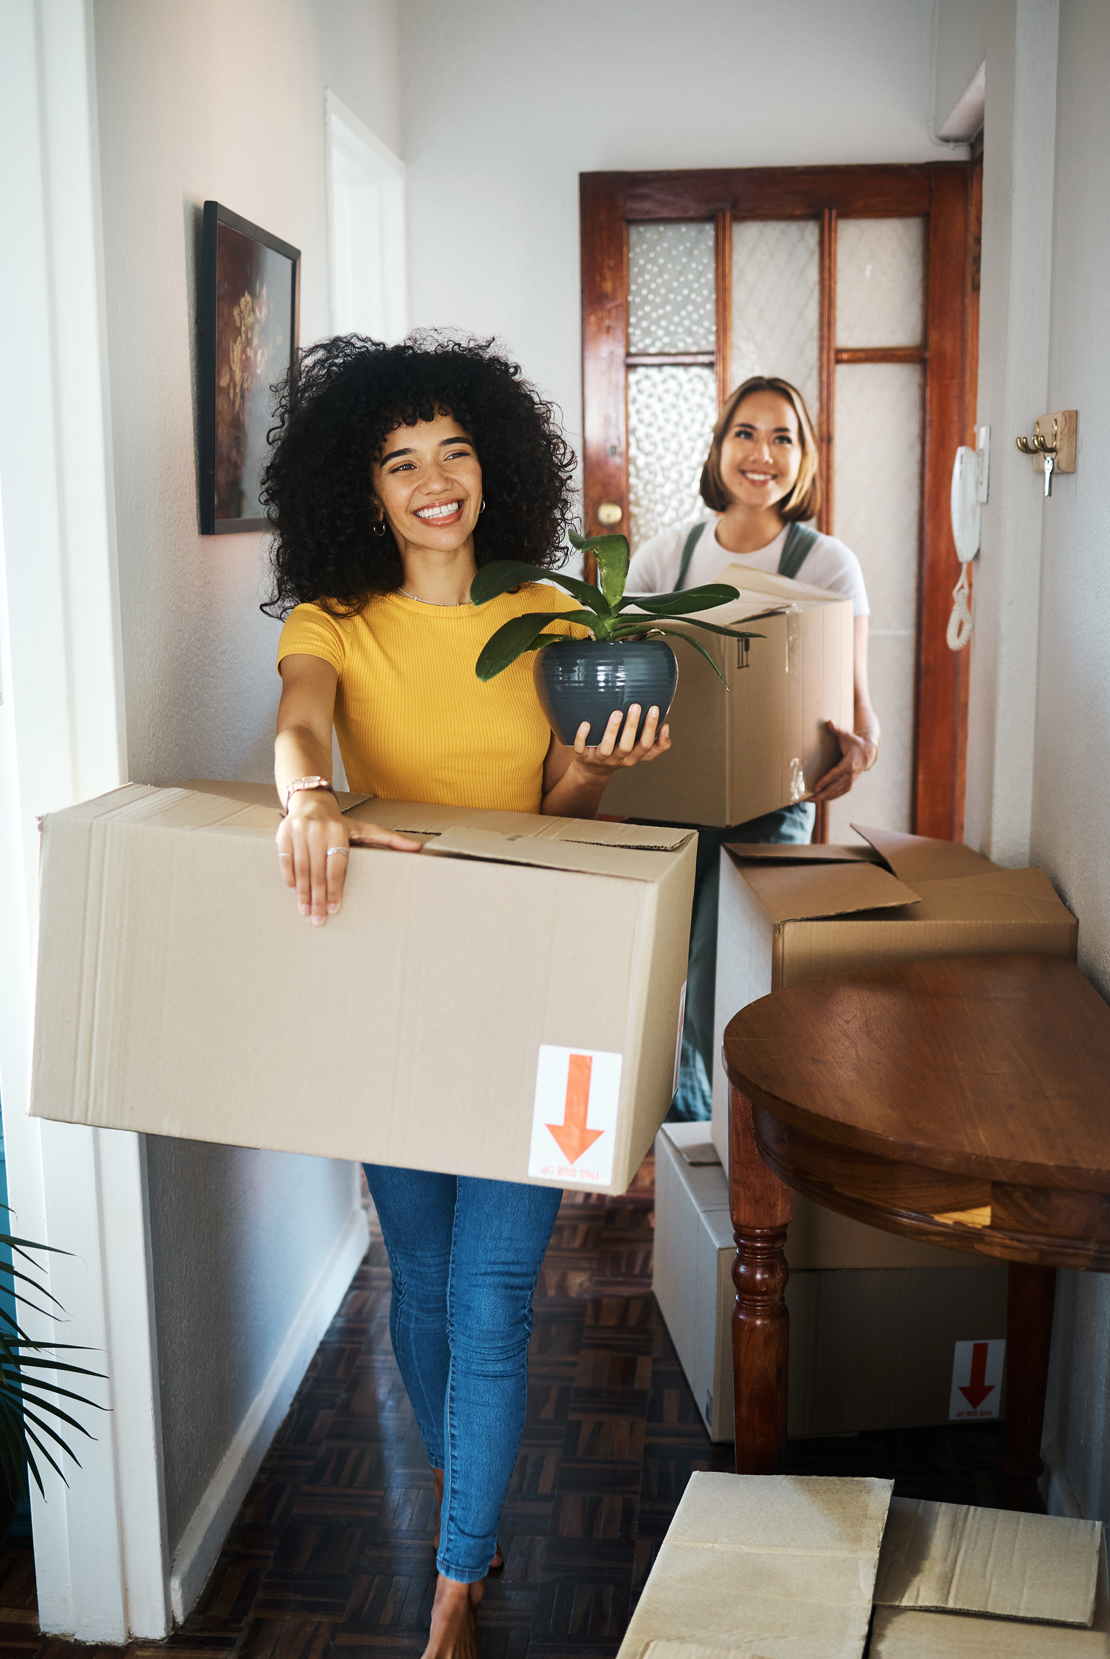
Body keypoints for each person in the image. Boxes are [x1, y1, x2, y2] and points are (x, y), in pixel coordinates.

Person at [260, 334, 669, 1659]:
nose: (434, 479)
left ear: (492, 465)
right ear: (360, 487)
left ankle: (454, 1583)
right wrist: (305, 795)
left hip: (533, 990)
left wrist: (604, 769)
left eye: (453, 450)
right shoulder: (333, 619)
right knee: (421, 1284)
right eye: (399, 460)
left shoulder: (550, 615)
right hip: (391, 998)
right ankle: (467, 1506)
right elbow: (301, 721)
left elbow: (561, 812)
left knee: (496, 1289)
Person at [625, 374, 880, 1120]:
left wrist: (856, 755)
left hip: (772, 808)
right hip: (668, 800)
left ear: (803, 458)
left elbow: (863, 715)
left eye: (783, 437)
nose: (762, 452)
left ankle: (722, 1147)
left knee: (722, 984)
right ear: (719, 447)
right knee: (661, 970)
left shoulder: (827, 564)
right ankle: (678, 1144)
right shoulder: (664, 560)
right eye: (746, 432)